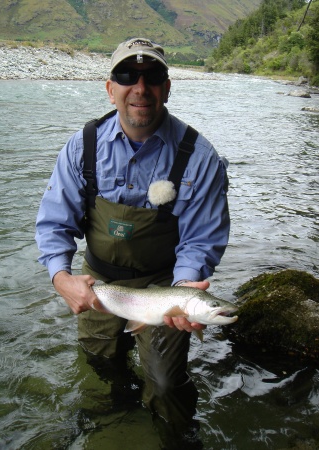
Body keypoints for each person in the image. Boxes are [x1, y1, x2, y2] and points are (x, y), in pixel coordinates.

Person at [35, 37, 230, 437]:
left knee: (164, 382)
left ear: (167, 87)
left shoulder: (200, 156)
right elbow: (55, 224)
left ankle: (174, 435)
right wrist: (62, 278)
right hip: (97, 283)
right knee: (99, 362)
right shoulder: (82, 146)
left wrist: (185, 288)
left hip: (164, 284)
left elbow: (199, 241)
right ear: (110, 89)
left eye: (152, 76)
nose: (140, 88)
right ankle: (111, 424)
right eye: (127, 75)